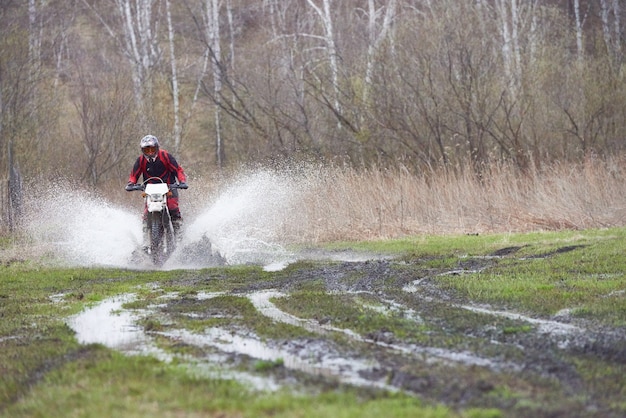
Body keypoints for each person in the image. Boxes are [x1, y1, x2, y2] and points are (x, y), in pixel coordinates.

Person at [125, 134, 188, 246]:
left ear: (157, 148)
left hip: (169, 188)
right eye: (146, 149)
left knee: (173, 207)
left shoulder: (165, 156)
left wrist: (182, 181)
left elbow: (178, 170)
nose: (149, 152)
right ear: (142, 150)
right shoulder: (140, 160)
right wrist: (131, 183)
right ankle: (145, 241)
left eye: (152, 149)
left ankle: (179, 237)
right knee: (145, 214)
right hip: (150, 190)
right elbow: (134, 175)